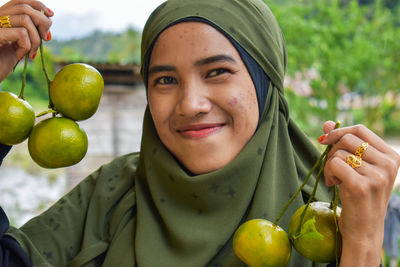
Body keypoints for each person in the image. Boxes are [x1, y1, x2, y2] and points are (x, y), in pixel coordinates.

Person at [0, 0, 399, 266]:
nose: (190, 103)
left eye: (217, 72)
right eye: (165, 79)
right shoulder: (114, 192)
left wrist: (362, 245)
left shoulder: (330, 215)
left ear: (265, 83)